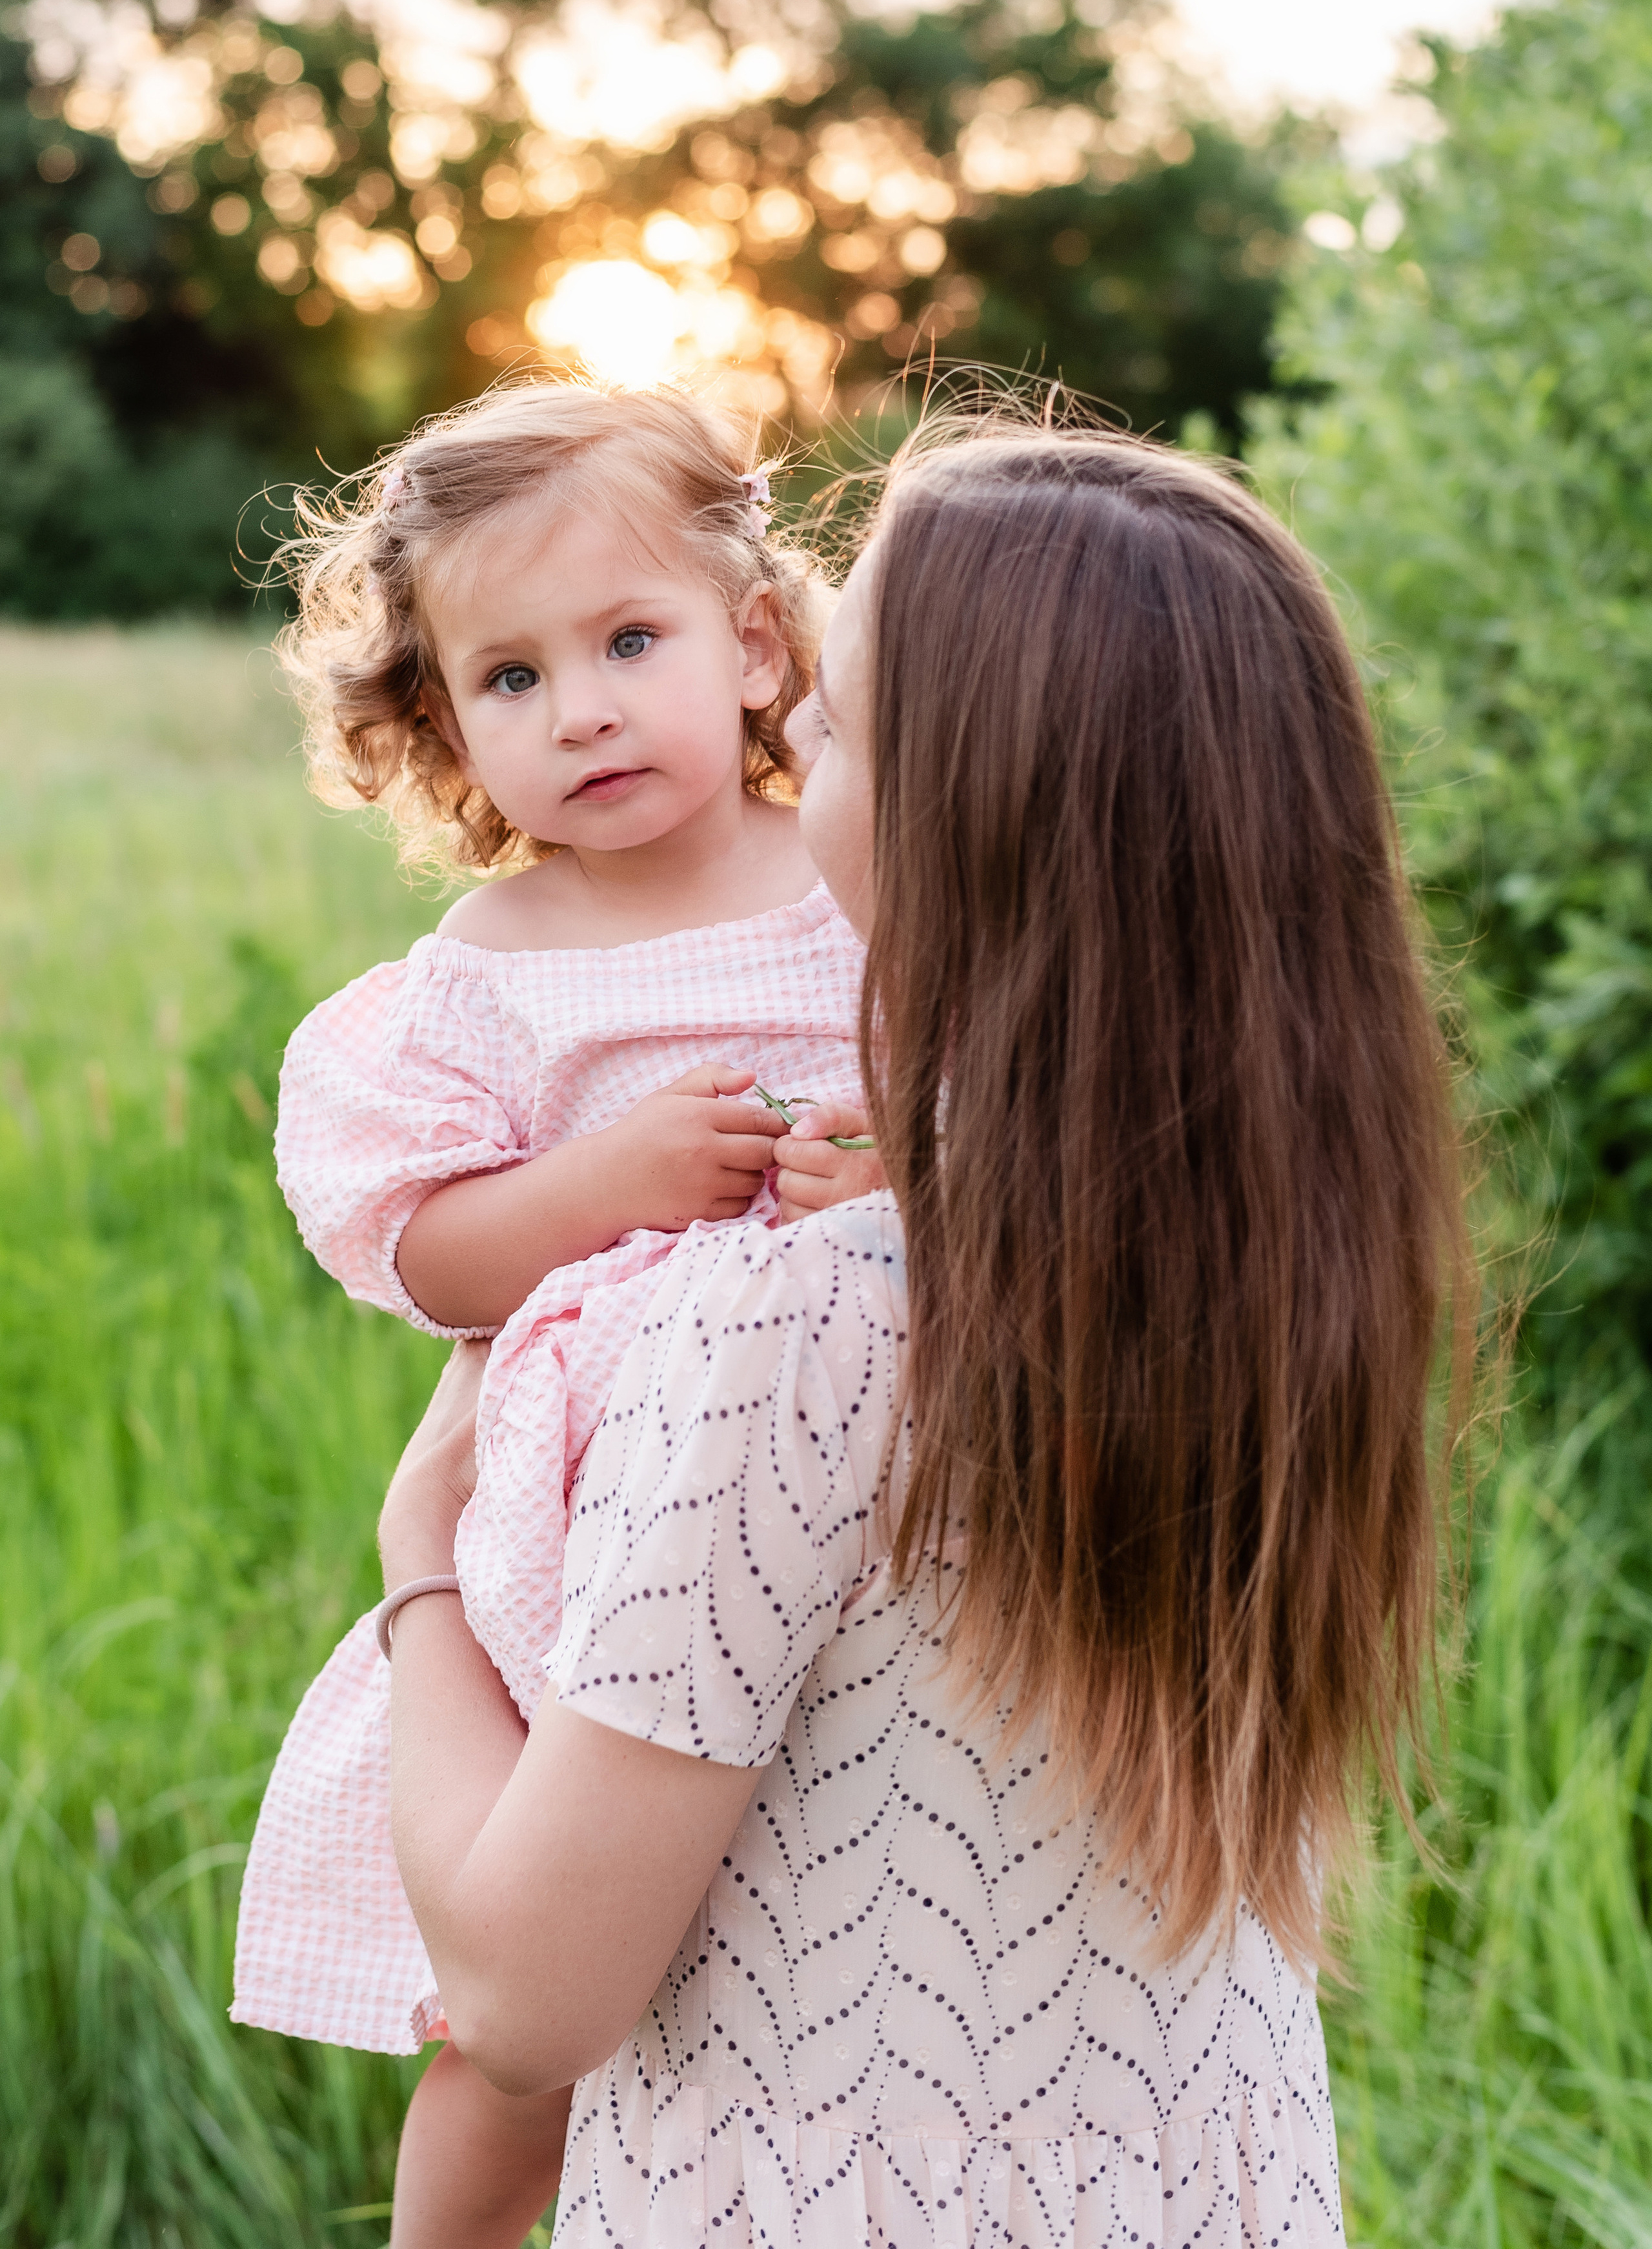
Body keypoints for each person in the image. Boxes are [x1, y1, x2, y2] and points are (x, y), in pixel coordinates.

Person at [375, 419, 1472, 2248]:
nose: (793, 737)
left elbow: (517, 2002)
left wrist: (417, 1563)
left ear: (974, 808)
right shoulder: (1286, 1235)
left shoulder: (800, 1314)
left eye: (847, 713)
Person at [230, 382, 882, 2244]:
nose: (580, 705)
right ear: (441, 726)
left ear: (754, 644)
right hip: (582, 1541)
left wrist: (883, 1177)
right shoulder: (491, 973)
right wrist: (598, 1186)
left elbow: (970, 1143)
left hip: (850, 1483)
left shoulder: (851, 890)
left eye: (627, 639)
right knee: (525, 2044)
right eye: (508, 678)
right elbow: (420, 1250)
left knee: (770, 1941)